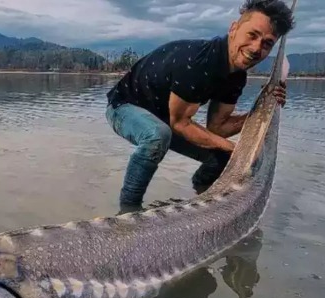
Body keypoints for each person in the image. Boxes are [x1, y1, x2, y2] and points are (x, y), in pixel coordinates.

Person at [105, 0, 295, 212]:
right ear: (234, 28)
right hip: (124, 107)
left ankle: (201, 199)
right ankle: (127, 212)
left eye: (267, 43)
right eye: (252, 35)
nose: (256, 48)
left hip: (167, 119)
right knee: (157, 136)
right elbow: (180, 124)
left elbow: (218, 128)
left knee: (224, 156)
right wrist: (237, 149)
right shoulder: (198, 61)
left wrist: (263, 110)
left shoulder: (237, 77)